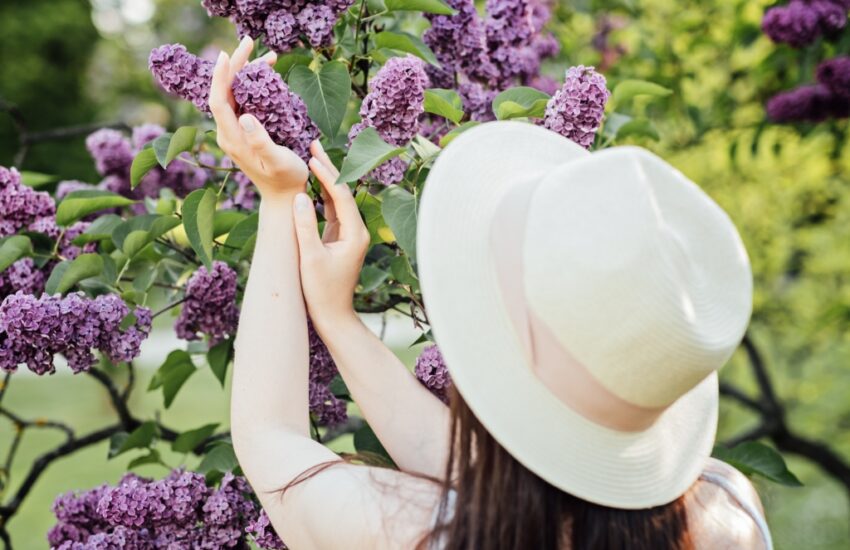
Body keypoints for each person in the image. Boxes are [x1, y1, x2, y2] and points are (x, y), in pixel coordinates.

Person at [212, 37, 773, 549]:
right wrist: (337, 320)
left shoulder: (426, 535)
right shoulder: (729, 510)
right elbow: (482, 470)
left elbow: (270, 439)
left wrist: (278, 194)